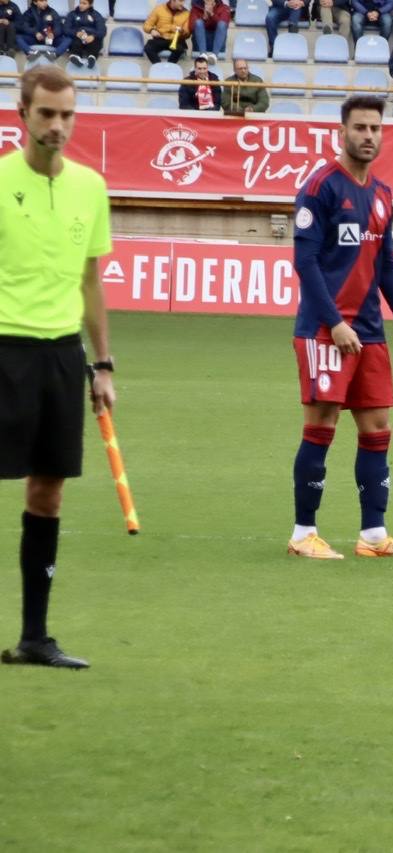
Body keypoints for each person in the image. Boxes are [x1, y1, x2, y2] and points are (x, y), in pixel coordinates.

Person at [1, 66, 116, 670]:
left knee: (47, 495)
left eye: (67, 114)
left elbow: (91, 281)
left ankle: (34, 638)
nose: (57, 125)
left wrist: (102, 365)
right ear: (22, 114)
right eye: (46, 113)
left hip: (61, 357)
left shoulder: (90, 188)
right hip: (3, 348)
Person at [287, 95, 393, 561]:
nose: (369, 136)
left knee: (377, 425)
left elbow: (387, 265)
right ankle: (303, 533)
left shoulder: (382, 194)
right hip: (325, 330)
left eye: (375, 128)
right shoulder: (320, 187)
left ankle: (373, 535)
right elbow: (304, 262)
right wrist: (334, 322)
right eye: (360, 128)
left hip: (368, 332)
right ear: (341, 133)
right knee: (322, 423)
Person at [63, 0, 105, 68]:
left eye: (84, 3)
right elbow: (66, 29)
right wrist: (76, 33)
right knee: (74, 41)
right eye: (80, 3)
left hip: (91, 38)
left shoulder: (96, 15)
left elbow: (102, 30)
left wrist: (93, 36)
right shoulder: (72, 14)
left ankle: (92, 58)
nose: (81, 5)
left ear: (90, 5)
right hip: (78, 38)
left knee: (97, 40)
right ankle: (76, 57)